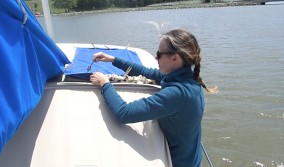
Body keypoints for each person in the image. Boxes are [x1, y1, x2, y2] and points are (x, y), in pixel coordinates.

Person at [90, 29, 217, 167]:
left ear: (175, 58)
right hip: (191, 158)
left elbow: (124, 113)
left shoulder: (177, 93)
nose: (156, 58)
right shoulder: (186, 78)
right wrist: (113, 60)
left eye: (159, 54)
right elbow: (147, 72)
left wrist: (104, 83)